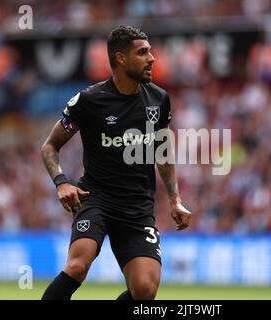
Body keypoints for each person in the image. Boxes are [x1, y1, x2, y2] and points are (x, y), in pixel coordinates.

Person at [40, 25, 191, 300]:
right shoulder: (88, 101)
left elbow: (163, 152)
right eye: (143, 52)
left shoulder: (159, 99)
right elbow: (50, 146)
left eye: (151, 52)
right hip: (96, 199)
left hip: (137, 207)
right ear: (121, 58)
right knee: (77, 266)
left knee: (144, 290)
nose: (152, 58)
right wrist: (62, 183)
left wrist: (174, 199)